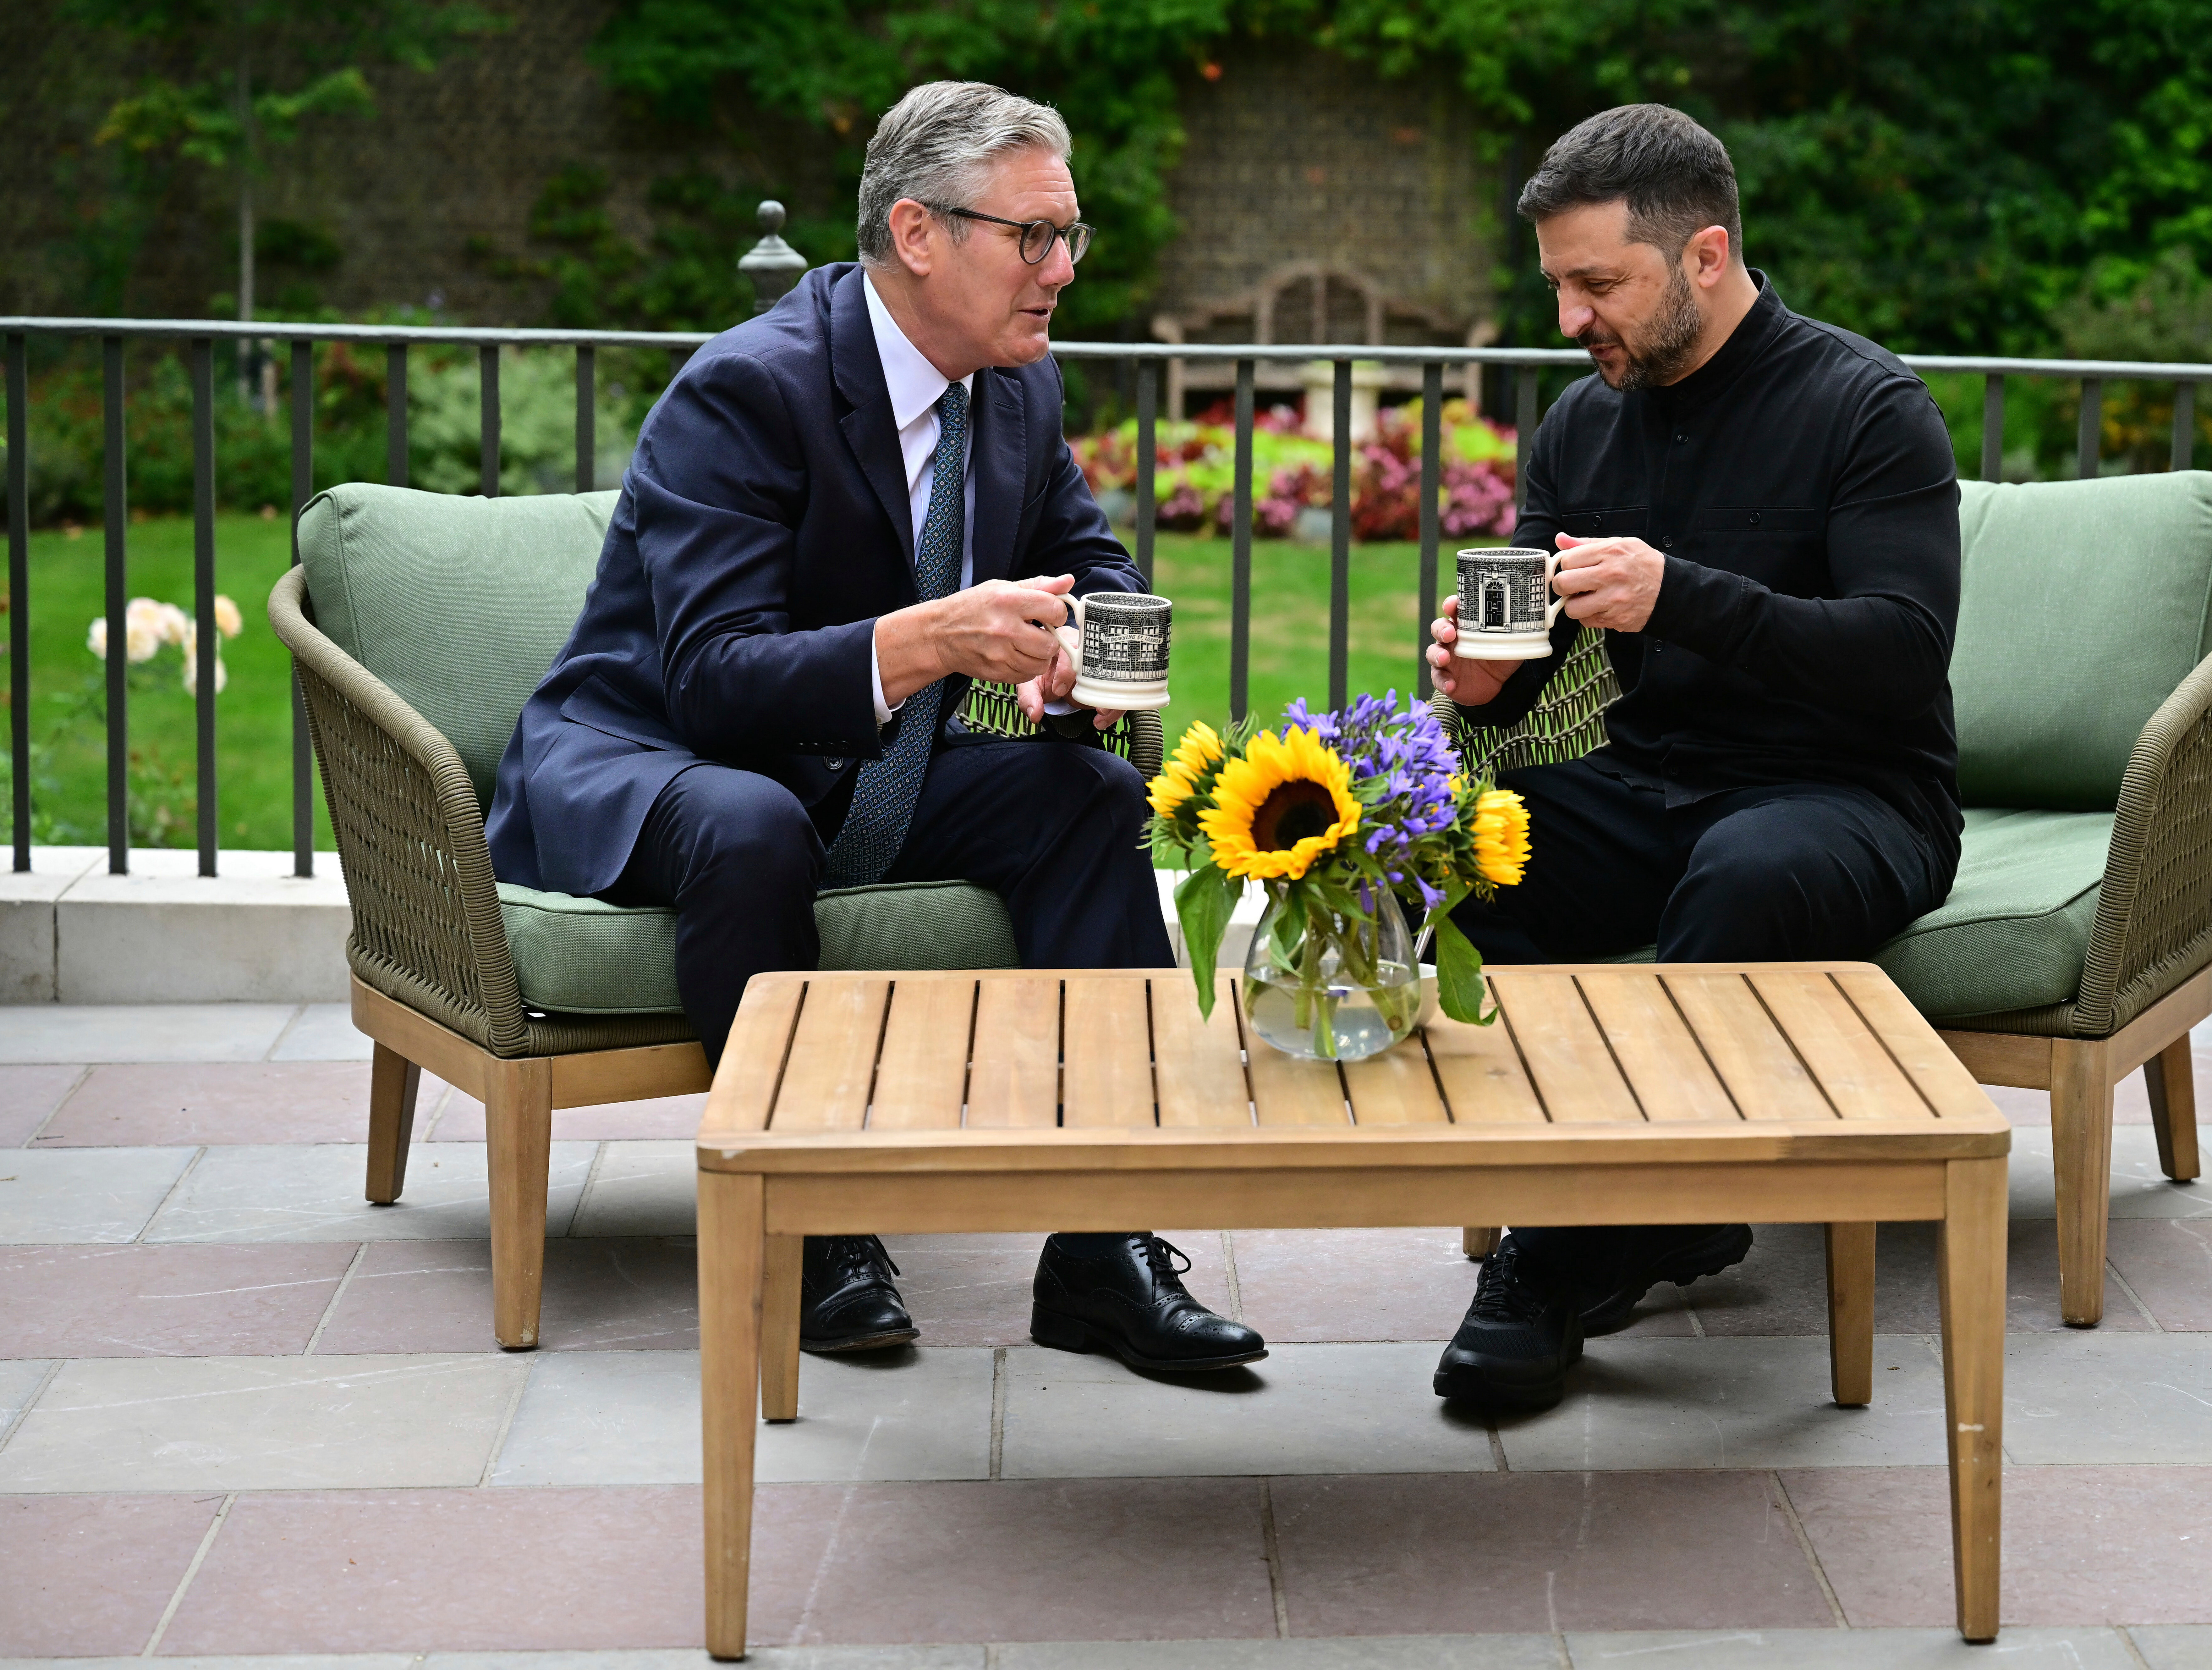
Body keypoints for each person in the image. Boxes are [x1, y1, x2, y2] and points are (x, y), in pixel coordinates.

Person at [486, 81, 1263, 1374]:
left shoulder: (1012, 390)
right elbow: (713, 678)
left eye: (1069, 235)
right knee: (748, 821)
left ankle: (1103, 1246)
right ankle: (809, 1225)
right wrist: (932, 642)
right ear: (917, 233)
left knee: (1092, 801)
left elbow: (1096, 562)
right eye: (1033, 236)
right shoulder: (747, 389)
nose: (1063, 269)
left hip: (861, 768)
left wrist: (1086, 648)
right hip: (656, 755)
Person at [1424, 104, 1961, 1408]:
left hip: (1849, 794)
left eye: (1599, 285)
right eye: (1557, 286)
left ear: (1706, 256)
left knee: (1745, 873)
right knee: (1464, 849)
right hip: (1650, 784)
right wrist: (1486, 682)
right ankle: (1649, 1192)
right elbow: (1536, 659)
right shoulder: (1581, 424)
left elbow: (1902, 651)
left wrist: (1680, 596)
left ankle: (1565, 1252)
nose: (1571, 318)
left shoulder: (1867, 406)